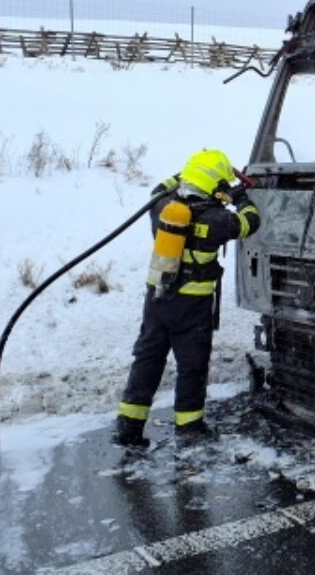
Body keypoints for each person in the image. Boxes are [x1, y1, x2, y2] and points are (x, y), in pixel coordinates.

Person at [112, 149, 261, 448]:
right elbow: (249, 223)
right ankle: (189, 427)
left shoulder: (163, 208)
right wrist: (240, 199)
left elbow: (160, 188)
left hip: (157, 301)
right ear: (215, 186)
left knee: (148, 359)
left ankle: (129, 426)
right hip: (191, 308)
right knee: (191, 365)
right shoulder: (217, 220)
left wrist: (185, 177)